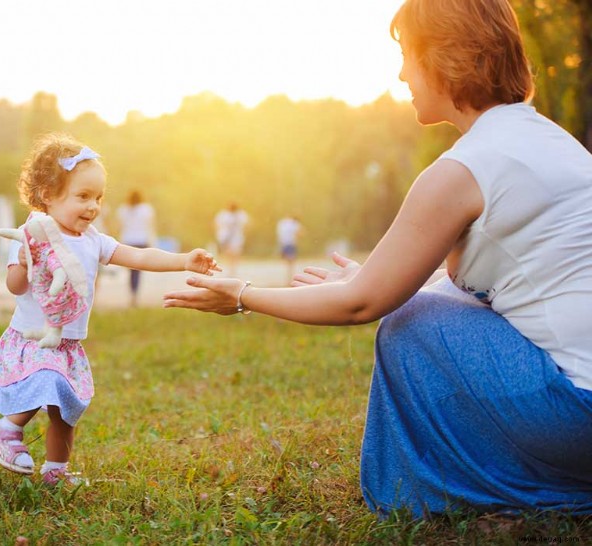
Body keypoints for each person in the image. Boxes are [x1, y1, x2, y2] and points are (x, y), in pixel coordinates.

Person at [164, 0, 592, 518]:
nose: (402, 74)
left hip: (578, 416)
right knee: (420, 305)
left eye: (408, 55)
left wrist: (241, 296)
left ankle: (457, 495)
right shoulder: (547, 141)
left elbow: (360, 305)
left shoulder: (463, 169)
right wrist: (378, 278)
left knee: (408, 320)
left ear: (442, 56)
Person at [0, 133, 219, 486]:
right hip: (34, 341)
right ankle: (5, 430)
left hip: (68, 344)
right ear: (48, 195)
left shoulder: (94, 240)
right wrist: (20, 262)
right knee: (48, 380)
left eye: (98, 198)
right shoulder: (34, 234)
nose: (93, 207)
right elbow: (14, 287)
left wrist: (185, 260)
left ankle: (56, 472)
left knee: (65, 413)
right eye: (82, 197)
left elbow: (139, 255)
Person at [116, 191, 156, 307]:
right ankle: (134, 294)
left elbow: (120, 227)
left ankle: (132, 293)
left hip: (127, 241)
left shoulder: (123, 209)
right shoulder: (146, 209)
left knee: (131, 271)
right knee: (137, 270)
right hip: (141, 241)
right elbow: (150, 226)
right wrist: (152, 242)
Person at [214, 202, 249, 276]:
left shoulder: (240, 214)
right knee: (228, 252)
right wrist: (218, 233)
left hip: (237, 237)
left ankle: (234, 268)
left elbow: (246, 224)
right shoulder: (223, 214)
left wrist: (244, 233)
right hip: (225, 236)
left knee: (236, 252)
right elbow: (217, 224)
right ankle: (230, 267)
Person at [276, 215, 304, 284]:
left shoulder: (283, 222)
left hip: (283, 243)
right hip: (291, 244)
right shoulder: (295, 224)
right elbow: (301, 233)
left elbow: (279, 233)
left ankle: (288, 279)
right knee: (291, 262)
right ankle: (290, 279)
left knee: (287, 262)